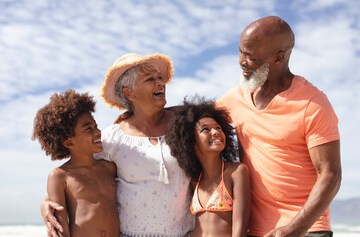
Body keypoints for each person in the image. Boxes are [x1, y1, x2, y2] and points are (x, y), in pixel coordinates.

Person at [41, 53, 195, 237]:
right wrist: (46, 203)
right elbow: (80, 175)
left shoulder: (186, 125)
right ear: (129, 93)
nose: (160, 83)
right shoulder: (111, 140)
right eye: (150, 79)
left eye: (160, 78)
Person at [217, 16, 341, 237]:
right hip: (255, 231)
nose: (241, 61)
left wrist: (295, 228)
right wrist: (136, 112)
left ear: (278, 58)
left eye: (250, 57)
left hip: (307, 229)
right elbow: (191, 115)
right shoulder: (236, 98)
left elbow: (331, 175)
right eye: (240, 52)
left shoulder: (312, 103)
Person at [32, 89, 119, 237]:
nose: (97, 132)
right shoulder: (59, 176)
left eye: (96, 125)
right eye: (88, 129)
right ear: (68, 142)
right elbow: (59, 226)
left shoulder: (109, 168)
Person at [166, 97, 251, 237]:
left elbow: (241, 229)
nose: (216, 132)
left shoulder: (236, 172)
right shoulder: (194, 181)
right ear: (190, 141)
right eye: (205, 129)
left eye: (218, 128)